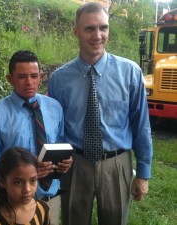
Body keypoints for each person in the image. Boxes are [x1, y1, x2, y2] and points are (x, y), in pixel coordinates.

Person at [48, 2, 153, 225]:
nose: (98, 35)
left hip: (116, 164)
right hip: (74, 164)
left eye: (103, 28)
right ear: (75, 31)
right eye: (89, 29)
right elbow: (55, 129)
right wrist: (55, 166)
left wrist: (143, 173)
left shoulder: (130, 72)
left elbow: (140, 125)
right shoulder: (59, 79)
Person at [0, 50, 73, 225]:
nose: (29, 82)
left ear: (41, 77)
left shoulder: (54, 108)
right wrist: (24, 169)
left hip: (51, 199)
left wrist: (64, 161)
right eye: (21, 77)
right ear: (9, 79)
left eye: (34, 76)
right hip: (14, 205)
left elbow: (59, 143)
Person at [0, 147, 50, 225]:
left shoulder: (43, 209)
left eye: (33, 180)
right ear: (2, 181)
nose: (27, 189)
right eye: (18, 182)